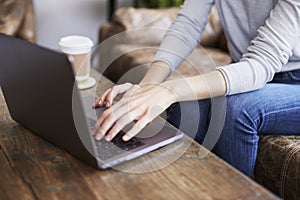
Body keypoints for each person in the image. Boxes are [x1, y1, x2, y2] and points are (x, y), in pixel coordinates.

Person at [93, 0, 300, 177]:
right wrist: (147, 87)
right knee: (186, 106)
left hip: (292, 79)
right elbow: (187, 26)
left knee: (236, 109)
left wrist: (168, 91)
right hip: (247, 69)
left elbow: (260, 65)